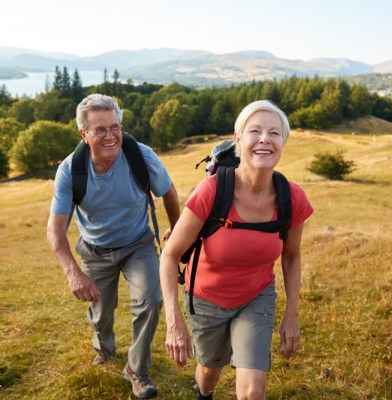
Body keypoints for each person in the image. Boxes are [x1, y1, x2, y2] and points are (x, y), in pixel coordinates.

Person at [160, 100, 313, 400]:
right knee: (208, 372)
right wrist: (173, 320)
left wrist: (291, 314)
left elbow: (291, 256)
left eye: (274, 132)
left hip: (256, 296)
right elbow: (169, 254)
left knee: (254, 391)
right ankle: (204, 394)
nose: (265, 139)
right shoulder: (213, 190)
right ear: (238, 139)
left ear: (283, 142)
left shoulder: (291, 197)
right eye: (254, 131)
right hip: (205, 297)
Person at [47, 93, 180, 399]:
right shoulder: (71, 170)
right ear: (84, 134)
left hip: (138, 244)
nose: (111, 136)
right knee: (101, 313)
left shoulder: (141, 156)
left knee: (150, 301)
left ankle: (137, 369)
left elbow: (169, 193)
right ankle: (104, 349)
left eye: (115, 127)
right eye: (100, 130)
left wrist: (176, 232)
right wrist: (73, 273)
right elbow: (55, 229)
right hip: (95, 250)